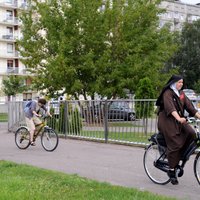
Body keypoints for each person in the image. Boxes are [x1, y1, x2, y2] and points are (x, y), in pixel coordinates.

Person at [156, 75, 200, 185]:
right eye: (179, 82)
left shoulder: (181, 94)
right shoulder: (168, 93)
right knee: (175, 142)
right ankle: (171, 170)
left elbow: (191, 108)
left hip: (178, 120)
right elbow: (170, 108)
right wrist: (179, 118)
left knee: (191, 133)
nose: (181, 84)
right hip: (166, 120)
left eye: (182, 82)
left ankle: (179, 155)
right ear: (173, 82)